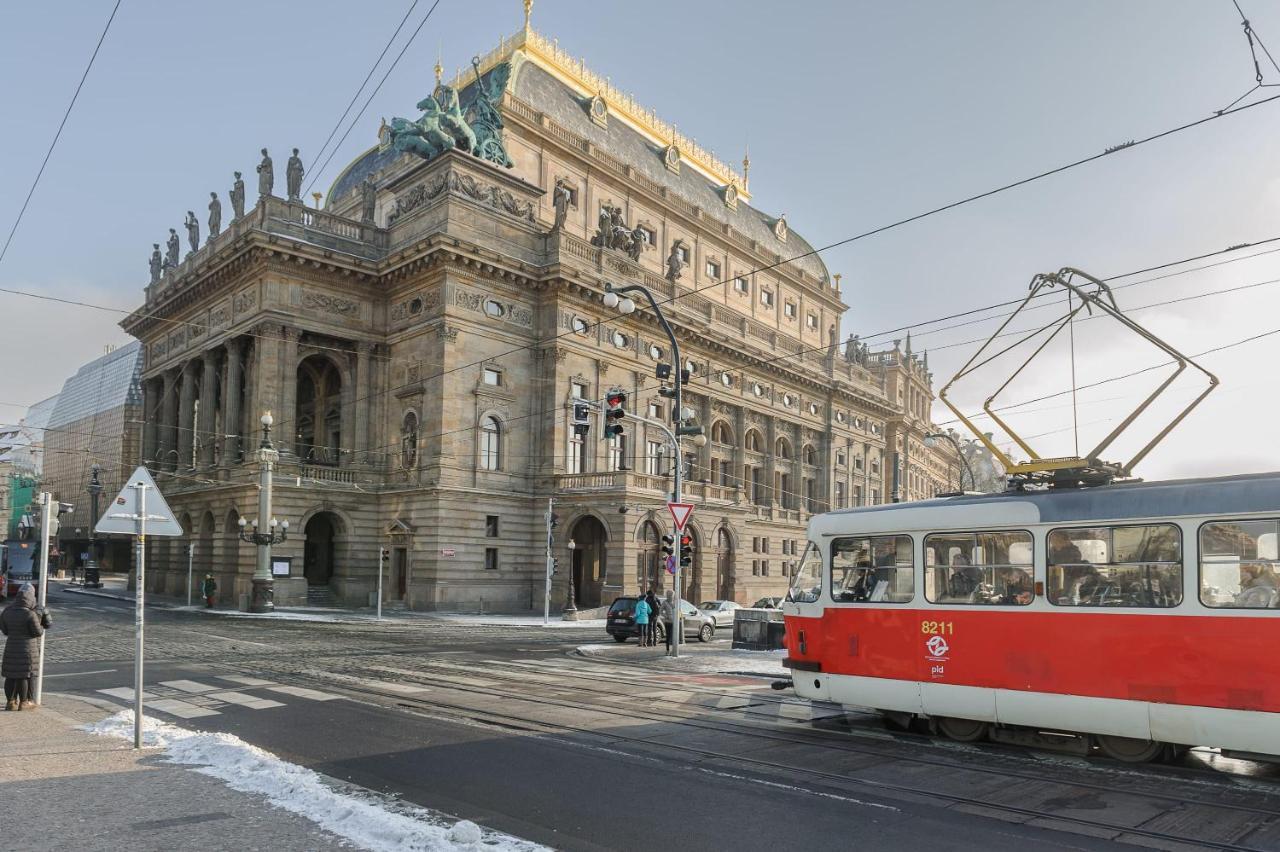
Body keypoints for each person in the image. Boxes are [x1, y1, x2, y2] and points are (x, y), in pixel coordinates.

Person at [2, 583, 50, 710]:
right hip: (27, 649)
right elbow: (38, 632)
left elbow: (5, 630)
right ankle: (24, 702)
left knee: (10, 675)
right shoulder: (30, 614)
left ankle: (10, 702)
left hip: (11, 648)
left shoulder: (7, 611)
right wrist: (40, 619)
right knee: (24, 675)